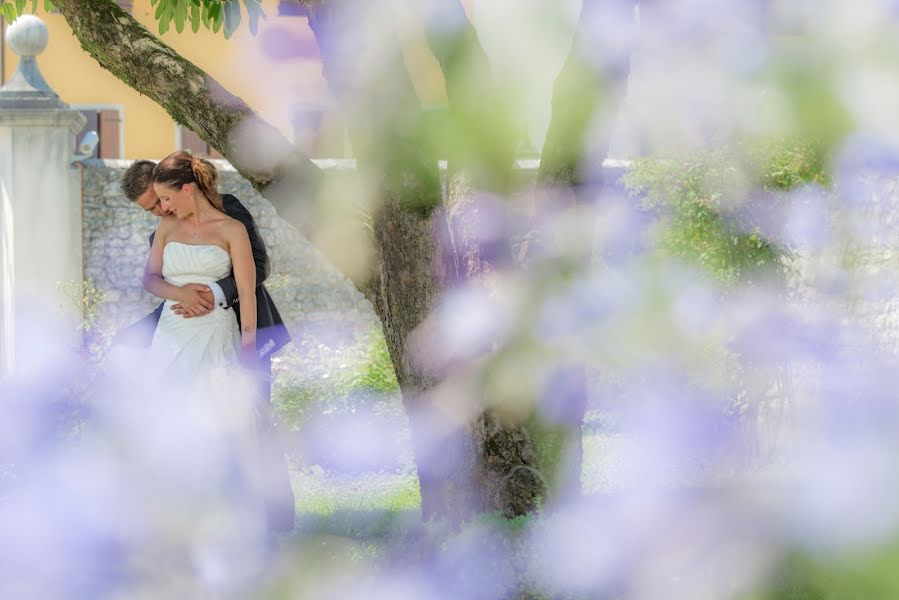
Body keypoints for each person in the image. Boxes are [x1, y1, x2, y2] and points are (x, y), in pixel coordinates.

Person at [117, 153, 295, 533]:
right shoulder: (163, 229)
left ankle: (274, 520)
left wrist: (213, 294)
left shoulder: (228, 212)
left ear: (172, 186)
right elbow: (163, 287)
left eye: (159, 201)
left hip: (242, 327)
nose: (158, 212)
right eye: (150, 209)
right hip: (181, 334)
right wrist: (175, 304)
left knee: (252, 424)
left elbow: (259, 268)